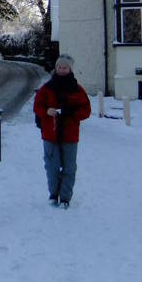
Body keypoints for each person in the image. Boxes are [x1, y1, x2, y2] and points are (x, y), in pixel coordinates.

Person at [33, 54, 91, 208]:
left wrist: (72, 113)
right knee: (51, 166)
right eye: (59, 67)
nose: (61, 70)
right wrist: (46, 111)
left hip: (70, 135)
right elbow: (37, 106)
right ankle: (53, 194)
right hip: (50, 133)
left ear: (70, 69)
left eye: (65, 67)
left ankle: (65, 197)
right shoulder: (46, 88)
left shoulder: (77, 90)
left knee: (69, 167)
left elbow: (86, 110)